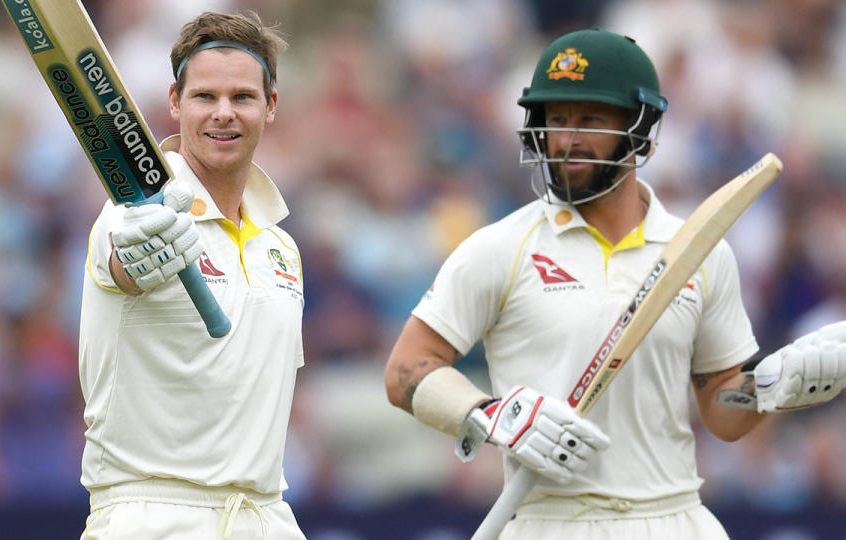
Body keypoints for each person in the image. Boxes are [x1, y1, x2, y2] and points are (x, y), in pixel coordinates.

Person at [384, 27, 846, 539]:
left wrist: (773, 387)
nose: (567, 139)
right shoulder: (500, 247)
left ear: (640, 127)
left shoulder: (701, 251)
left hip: (674, 518)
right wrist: (491, 414)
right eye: (556, 119)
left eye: (591, 118)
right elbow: (406, 368)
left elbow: (721, 409)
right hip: (551, 521)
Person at [78, 11, 306, 540]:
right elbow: (120, 258)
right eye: (205, 96)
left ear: (270, 106)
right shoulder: (131, 212)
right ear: (176, 101)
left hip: (264, 516)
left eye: (242, 98)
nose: (223, 114)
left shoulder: (282, 246)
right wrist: (136, 254)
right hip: (150, 518)